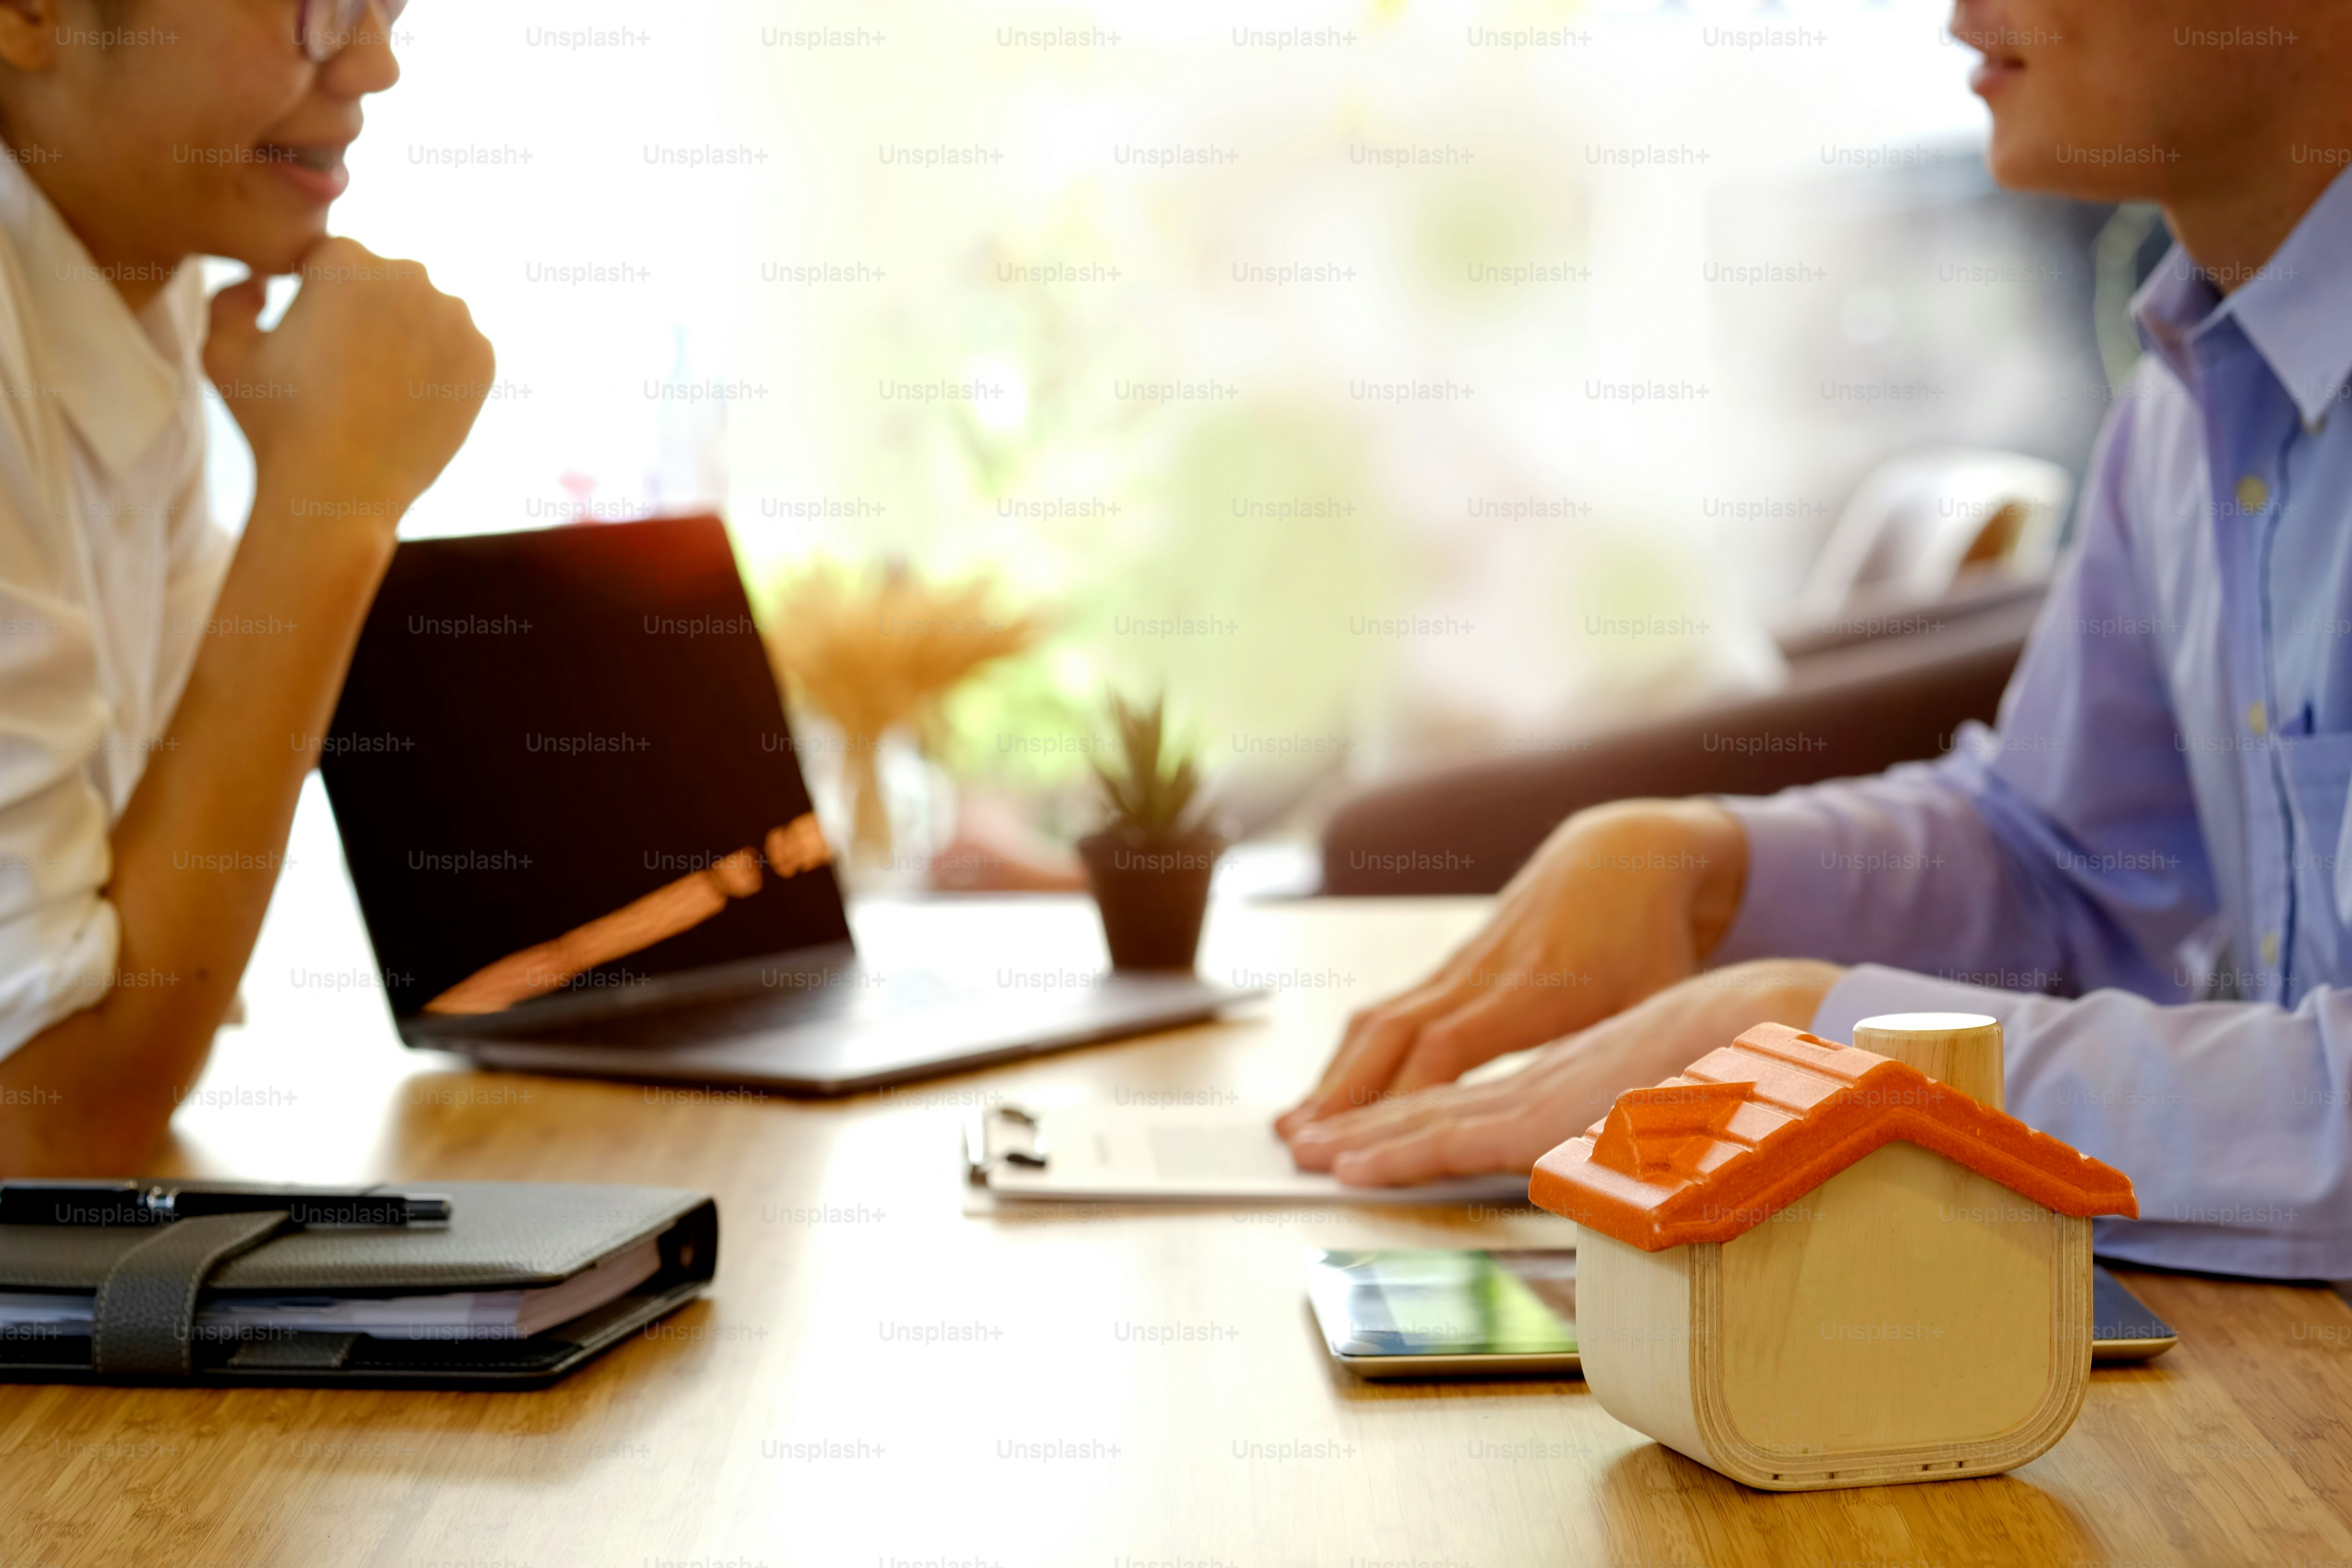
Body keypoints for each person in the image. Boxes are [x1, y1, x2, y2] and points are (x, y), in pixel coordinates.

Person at [1281, 0, 2352, 1281]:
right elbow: (2062, 862)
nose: (1956, 8)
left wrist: (1827, 1045)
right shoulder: (2187, 405)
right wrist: (1706, 865)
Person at [0, 0, 490, 1173]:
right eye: (318, 9)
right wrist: (331, 504)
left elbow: (139, 986)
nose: (376, 62)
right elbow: (49, 1131)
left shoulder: (138, 289)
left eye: (389, 8)